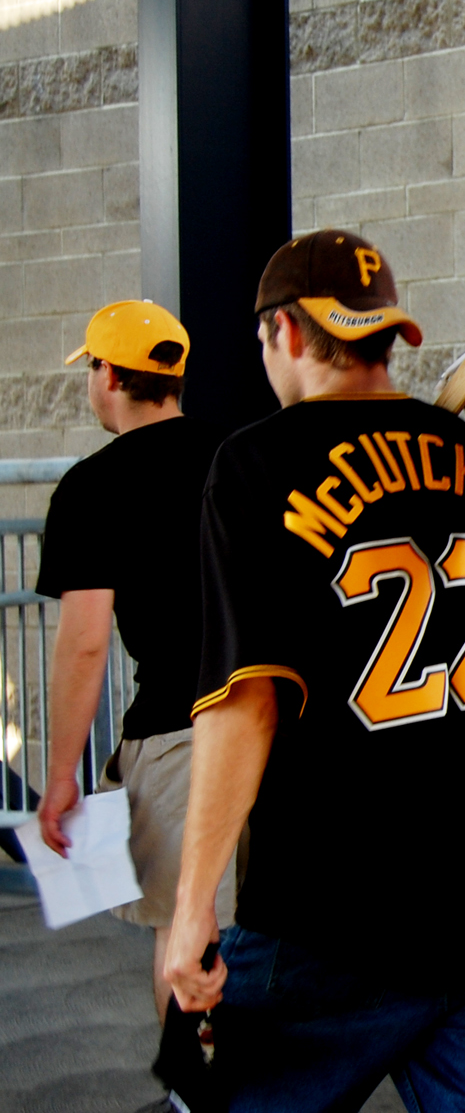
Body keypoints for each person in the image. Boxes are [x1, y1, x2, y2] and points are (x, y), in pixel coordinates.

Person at [162, 230, 465, 1112]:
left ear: (285, 331)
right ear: (386, 334)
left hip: (329, 926)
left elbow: (245, 704)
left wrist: (192, 905)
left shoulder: (256, 466)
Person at [35, 299, 228, 1022]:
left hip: (178, 740)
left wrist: (62, 776)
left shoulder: (91, 487)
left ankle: (198, 1076)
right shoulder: (241, 457)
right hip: (274, 728)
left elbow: (85, 643)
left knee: (186, 931)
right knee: (268, 934)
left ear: (109, 374)